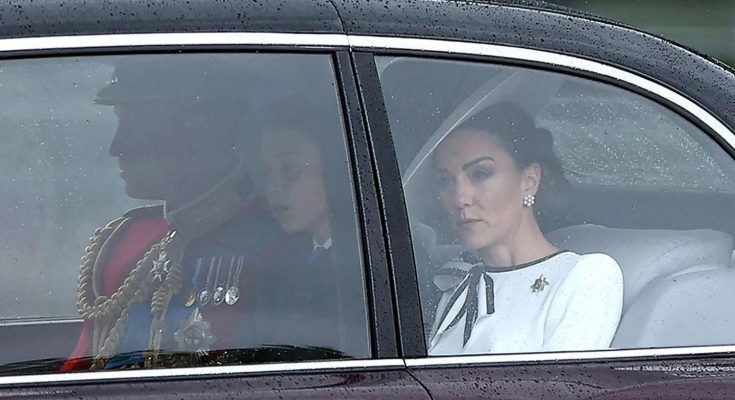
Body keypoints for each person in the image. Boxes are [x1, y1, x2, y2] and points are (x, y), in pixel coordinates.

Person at [61, 56, 279, 371]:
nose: (116, 145)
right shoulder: (127, 244)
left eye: (137, 127)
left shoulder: (274, 250)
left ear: (202, 133)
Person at [428, 102, 623, 355]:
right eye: (446, 180)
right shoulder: (458, 283)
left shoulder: (585, 275)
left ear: (529, 181)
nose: (460, 198)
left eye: (481, 174)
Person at [242, 103, 367, 357]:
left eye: (290, 169)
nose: (274, 187)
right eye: (267, 173)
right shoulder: (276, 262)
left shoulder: (374, 264)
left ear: (335, 171)